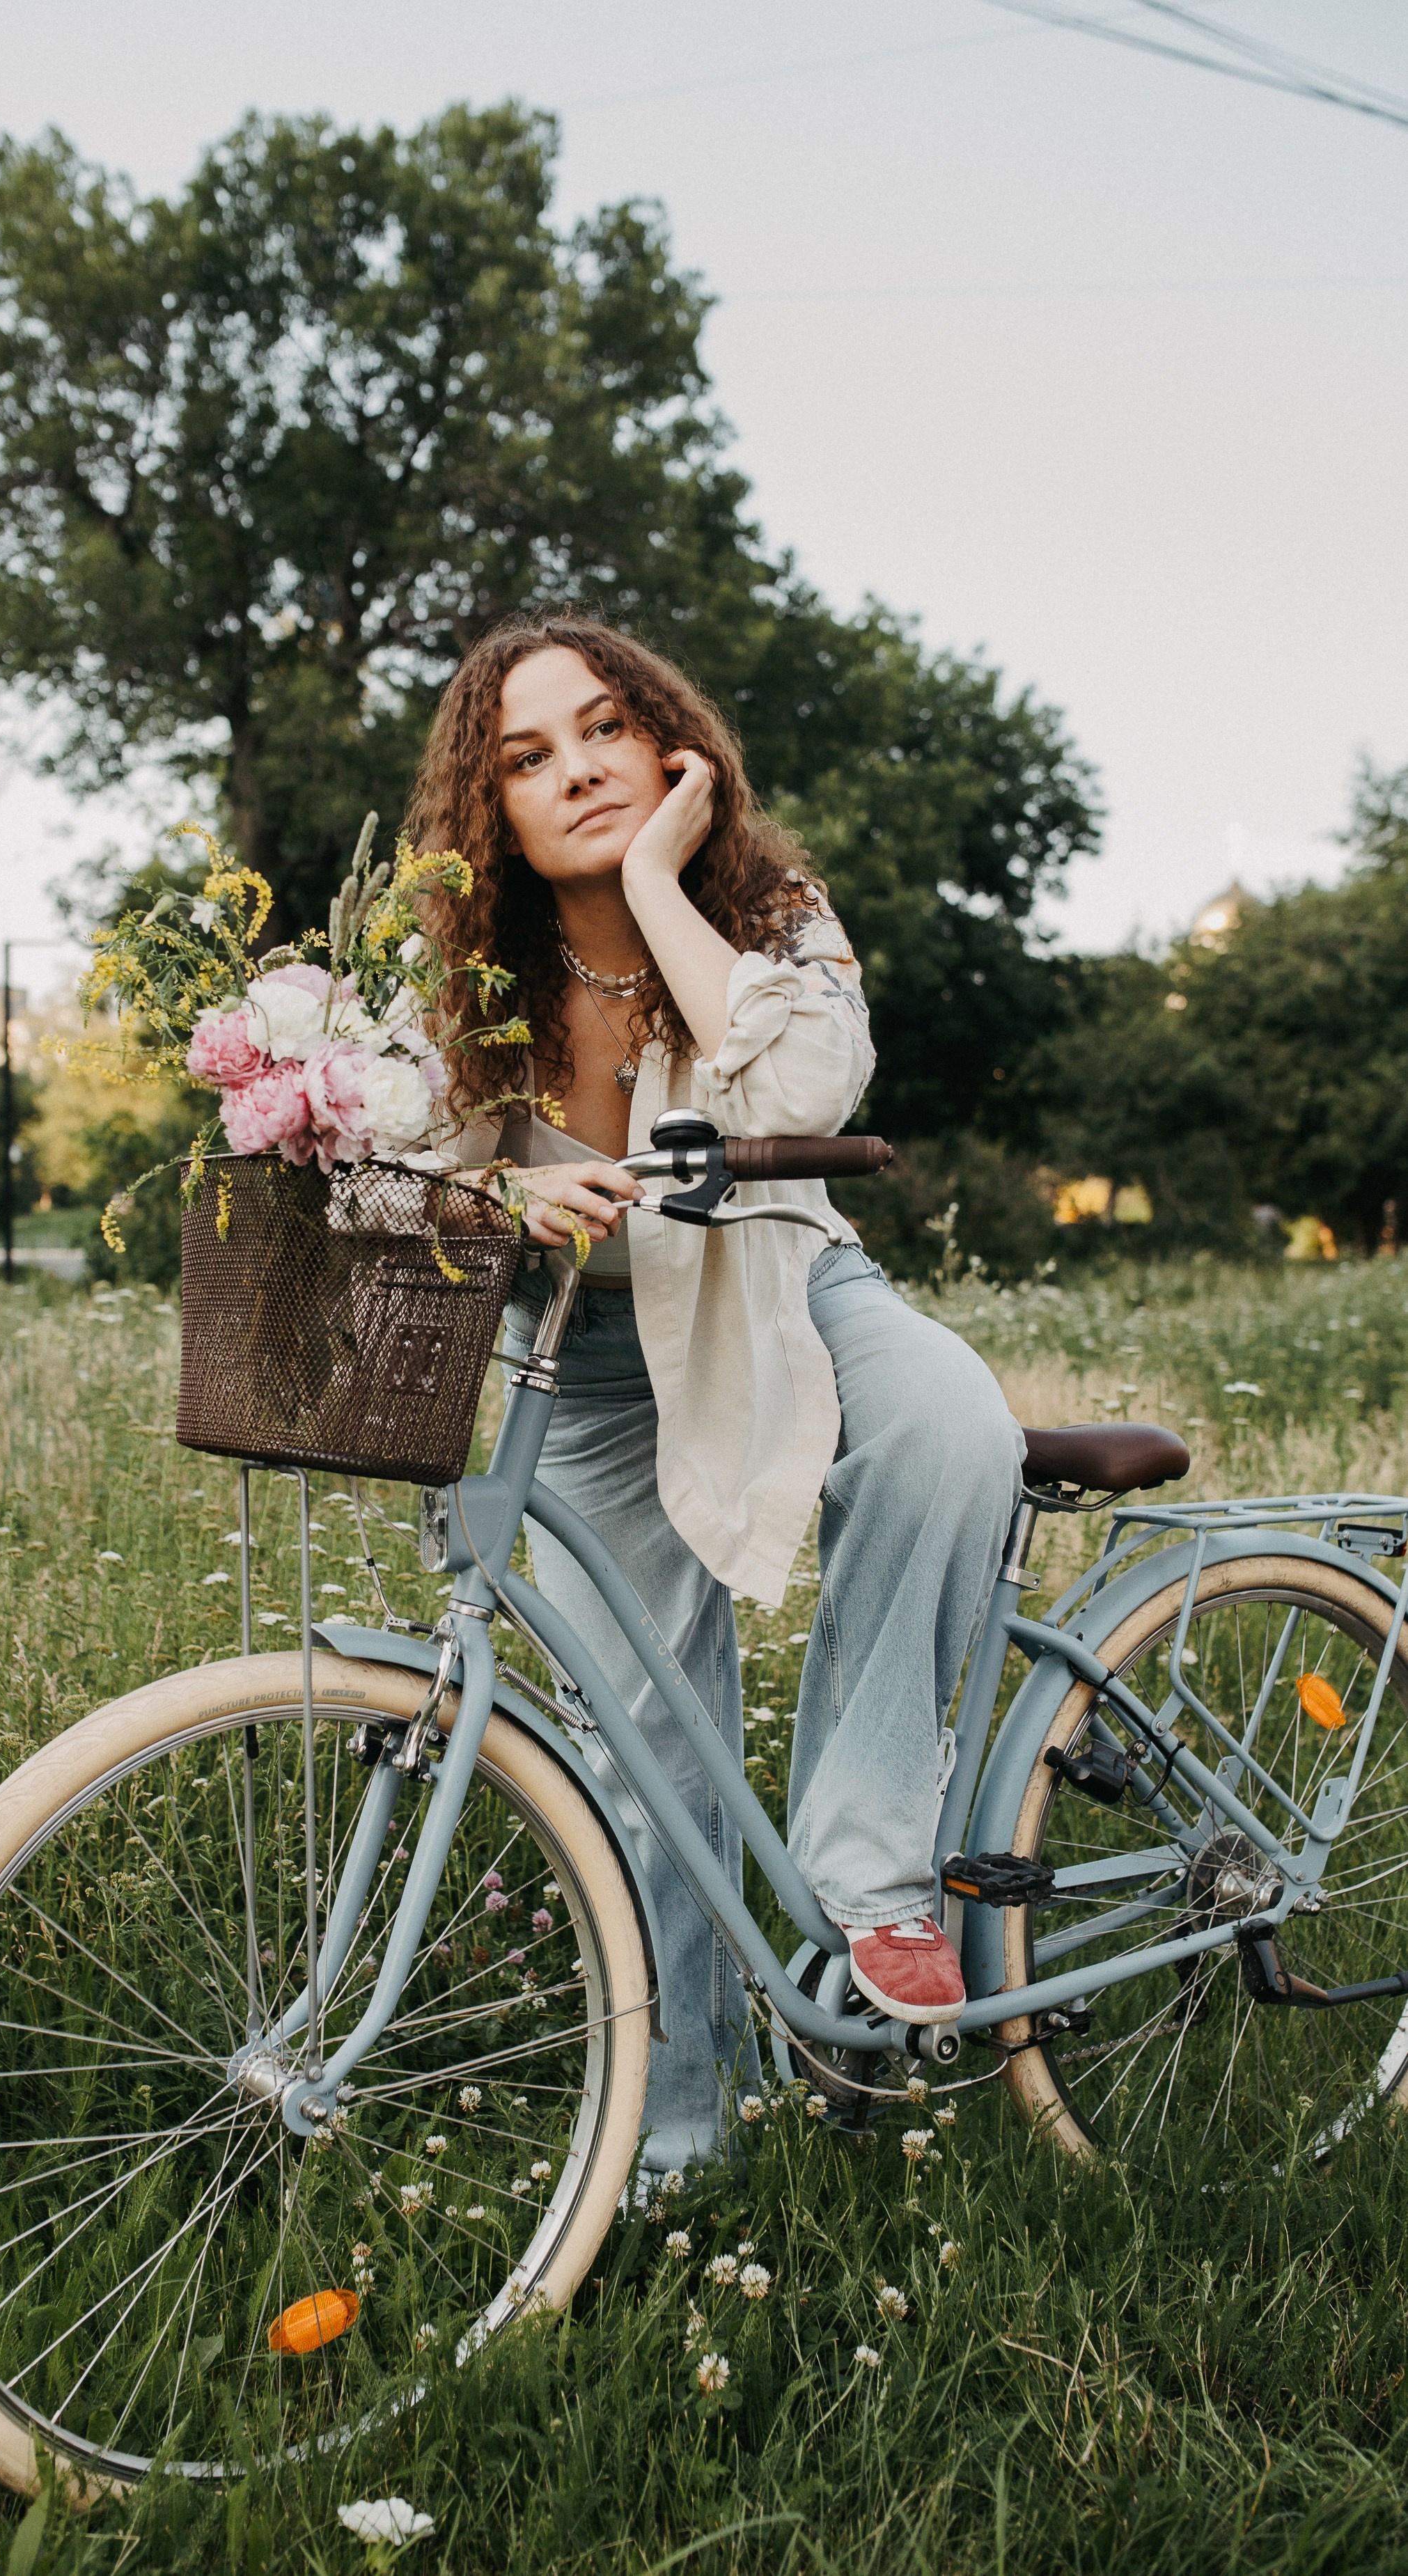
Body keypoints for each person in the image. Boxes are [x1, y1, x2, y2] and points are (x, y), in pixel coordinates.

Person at [408, 615, 1024, 2172]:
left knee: (950, 1423)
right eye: (528, 756)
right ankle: (683, 2124)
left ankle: (868, 1870)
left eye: (604, 726)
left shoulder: (766, 906)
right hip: (589, 1361)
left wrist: (657, 889)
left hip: (779, 1283)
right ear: (491, 804)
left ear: (666, 739)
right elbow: (392, 1175)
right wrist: (493, 1207)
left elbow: (806, 1091)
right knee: (640, 1751)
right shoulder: (472, 972)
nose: (579, 769)